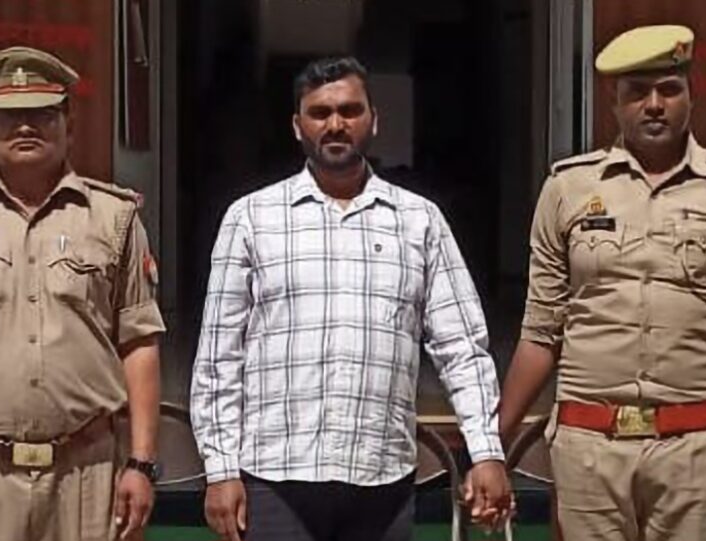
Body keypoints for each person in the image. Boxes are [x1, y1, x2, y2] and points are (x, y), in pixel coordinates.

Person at [190, 56, 512, 541]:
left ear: (373, 120)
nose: (336, 124)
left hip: (381, 476)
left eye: (349, 110)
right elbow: (219, 355)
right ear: (297, 126)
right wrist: (219, 469)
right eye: (320, 113)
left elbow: (461, 347)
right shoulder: (251, 218)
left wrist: (485, 451)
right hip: (275, 477)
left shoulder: (419, 221)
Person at [496, 25, 706, 541]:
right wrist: (492, 448)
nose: (654, 105)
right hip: (589, 449)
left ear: (691, 96)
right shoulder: (568, 189)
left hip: (695, 452)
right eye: (637, 92)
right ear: (614, 104)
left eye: (668, 90)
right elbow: (541, 331)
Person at [0, 46, 165, 541]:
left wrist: (141, 463)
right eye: (8, 115)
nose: (25, 126)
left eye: (42, 113)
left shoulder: (114, 219)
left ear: (68, 122)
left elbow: (139, 343)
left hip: (87, 474)